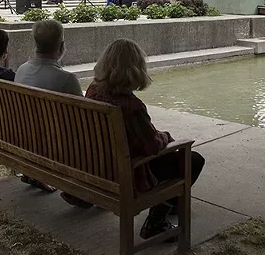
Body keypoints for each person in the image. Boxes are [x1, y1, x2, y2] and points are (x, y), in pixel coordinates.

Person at [86, 39, 205, 239]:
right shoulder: (132, 107)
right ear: (136, 69)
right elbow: (152, 146)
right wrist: (165, 136)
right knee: (192, 159)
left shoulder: (93, 91)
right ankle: (156, 221)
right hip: (127, 174)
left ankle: (171, 201)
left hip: (99, 166)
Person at [14, 20, 82, 193]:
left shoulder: (21, 70)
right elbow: (84, 121)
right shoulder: (67, 79)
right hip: (56, 145)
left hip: (22, 138)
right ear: (62, 46)